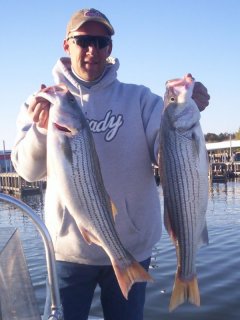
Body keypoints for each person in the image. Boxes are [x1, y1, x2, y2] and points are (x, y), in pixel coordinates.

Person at [11, 8, 210, 320]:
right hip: (69, 255)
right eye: (83, 40)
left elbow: (168, 152)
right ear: (67, 45)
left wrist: (184, 113)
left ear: (110, 48)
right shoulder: (40, 103)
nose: (93, 50)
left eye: (101, 42)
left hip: (133, 248)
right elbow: (27, 170)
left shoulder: (142, 99)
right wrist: (40, 131)